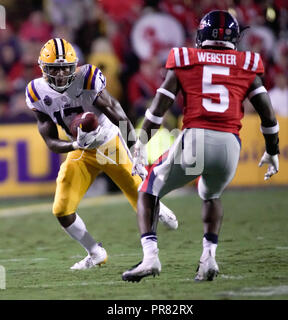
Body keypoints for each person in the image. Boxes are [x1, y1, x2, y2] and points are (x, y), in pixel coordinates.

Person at [122, 10, 280, 282]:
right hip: (230, 146)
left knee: (148, 190)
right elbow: (268, 114)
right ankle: (209, 259)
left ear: (201, 36)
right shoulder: (246, 63)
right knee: (211, 194)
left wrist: (141, 141)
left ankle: (150, 258)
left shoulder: (186, 59)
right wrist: (273, 150)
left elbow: (159, 108)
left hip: (196, 137)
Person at [25, 38, 178, 270]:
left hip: (109, 144)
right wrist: (75, 145)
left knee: (145, 205)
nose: (60, 74)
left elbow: (119, 114)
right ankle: (95, 253)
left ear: (74, 65)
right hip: (82, 151)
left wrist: (135, 151)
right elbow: (50, 141)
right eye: (54, 69)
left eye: (66, 67)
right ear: (44, 69)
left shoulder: (87, 78)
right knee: (62, 209)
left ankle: (152, 201)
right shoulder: (36, 92)